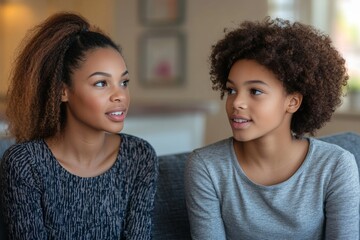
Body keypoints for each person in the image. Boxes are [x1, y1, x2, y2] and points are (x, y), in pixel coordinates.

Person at [185, 17, 359, 239]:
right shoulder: (206, 167)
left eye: (255, 91)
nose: (236, 102)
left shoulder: (335, 166)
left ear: (293, 102)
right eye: (231, 90)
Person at [0, 12, 158, 239]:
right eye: (101, 83)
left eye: (123, 82)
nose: (120, 96)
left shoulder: (140, 156)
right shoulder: (25, 164)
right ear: (62, 91)